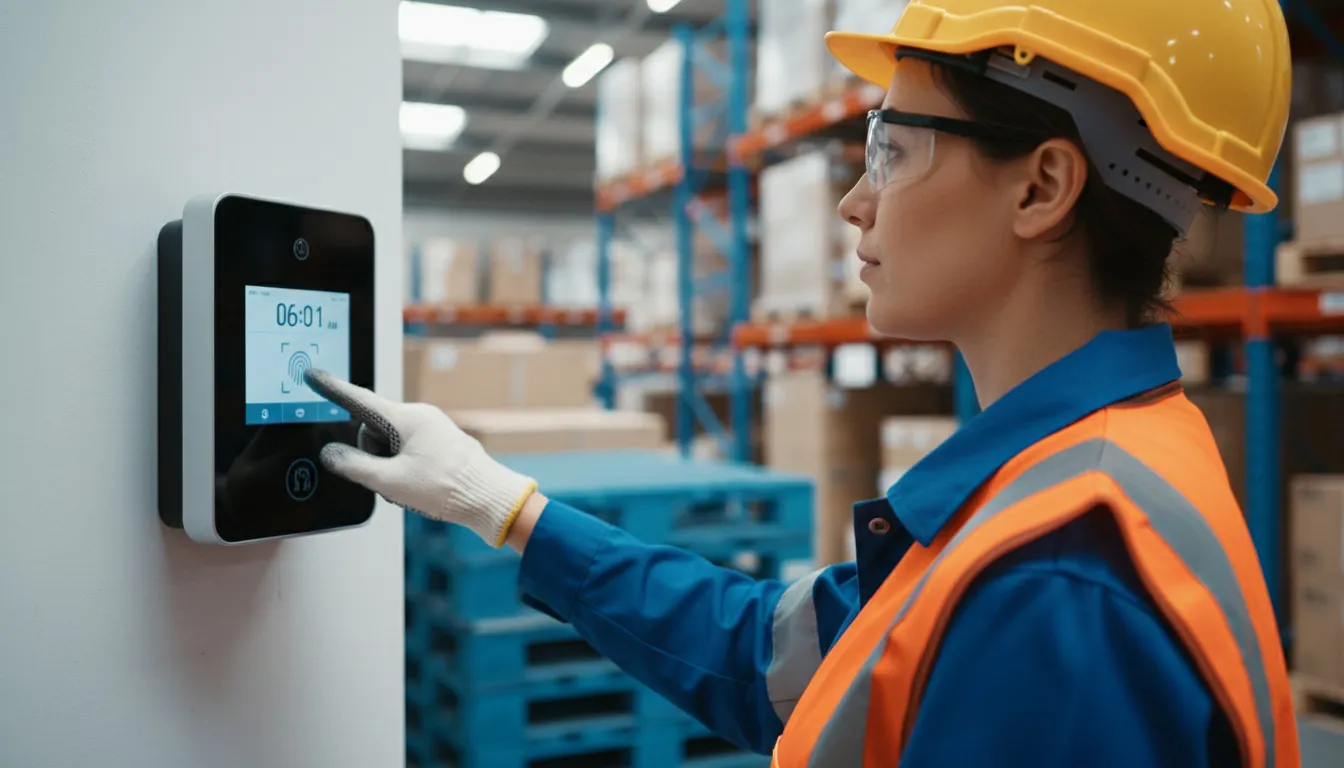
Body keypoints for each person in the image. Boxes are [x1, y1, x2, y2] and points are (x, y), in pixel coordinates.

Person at [306, 0, 1300, 764]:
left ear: (1041, 187)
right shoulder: (1065, 480)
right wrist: (505, 506)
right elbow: (772, 660)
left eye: (893, 150)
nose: (855, 204)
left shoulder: (1055, 586)